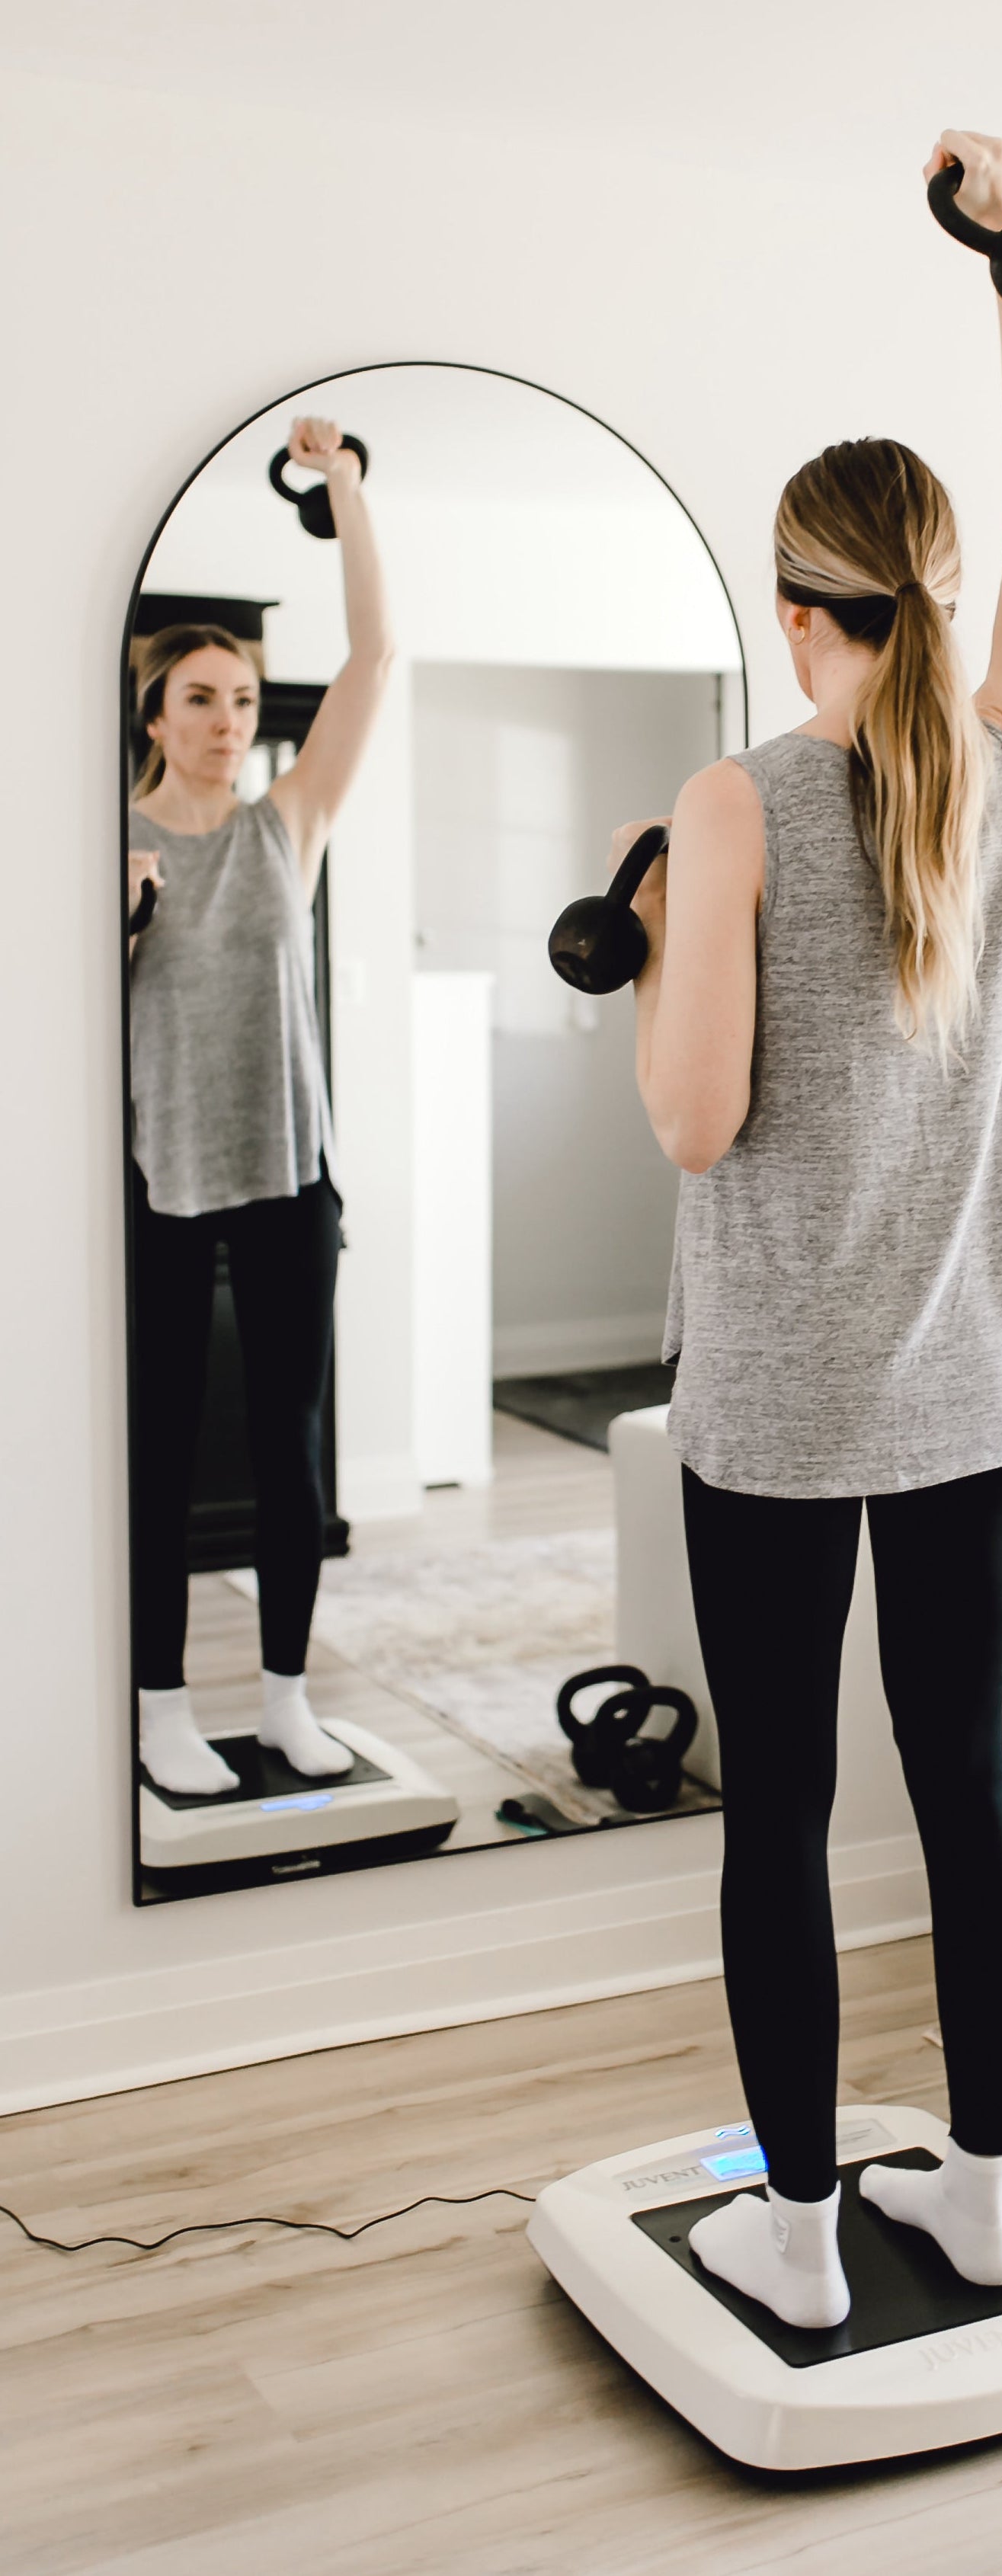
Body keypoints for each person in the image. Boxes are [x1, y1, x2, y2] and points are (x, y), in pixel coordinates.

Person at [622, 127, 1002, 2329]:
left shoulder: (735, 802)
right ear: (944, 595)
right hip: (974, 1390)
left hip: (782, 1411)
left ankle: (797, 2235)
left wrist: (659, 939)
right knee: (961, 1776)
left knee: (780, 1811)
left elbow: (695, 1120)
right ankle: (980, 2192)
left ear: (795, 606)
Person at [129, 418, 393, 1799]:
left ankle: (287, 1696)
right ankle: (160, 1705)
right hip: (160, 1185)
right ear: (155, 717)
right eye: (200, 699)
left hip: (292, 1175)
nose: (227, 719)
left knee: (293, 1454)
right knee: (161, 1455)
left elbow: (375, 657)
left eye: (240, 697)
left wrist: (343, 486)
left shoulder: (287, 822)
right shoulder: (104, 846)